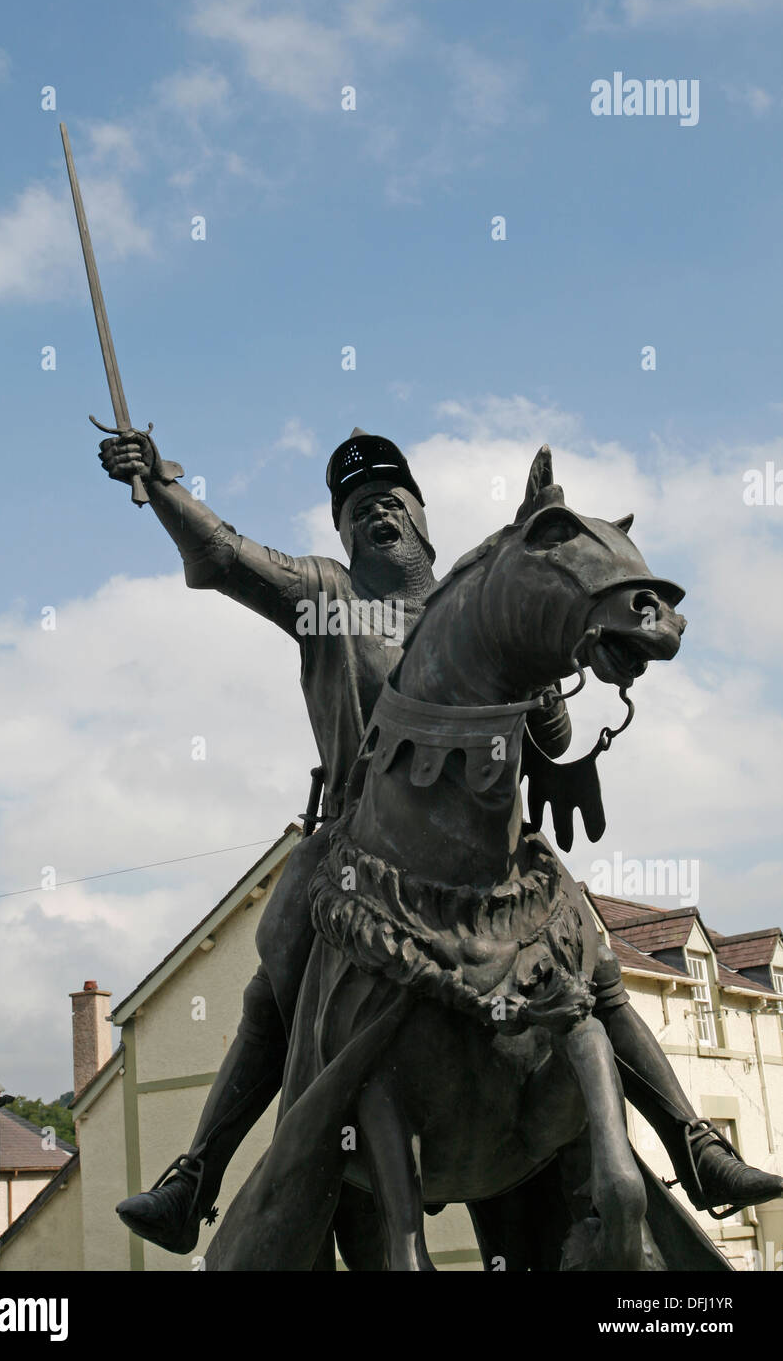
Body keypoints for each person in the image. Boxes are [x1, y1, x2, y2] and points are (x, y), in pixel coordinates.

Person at [99, 426, 782, 1254]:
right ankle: (196, 1176)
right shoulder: (327, 595)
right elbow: (227, 557)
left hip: (497, 854)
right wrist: (162, 485)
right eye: (354, 509)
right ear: (342, 533)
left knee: (595, 964)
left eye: (390, 498)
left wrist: (555, 722)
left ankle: (693, 1145)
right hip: (358, 839)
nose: (374, 514)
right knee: (277, 958)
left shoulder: (483, 598)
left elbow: (550, 737)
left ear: (423, 517)